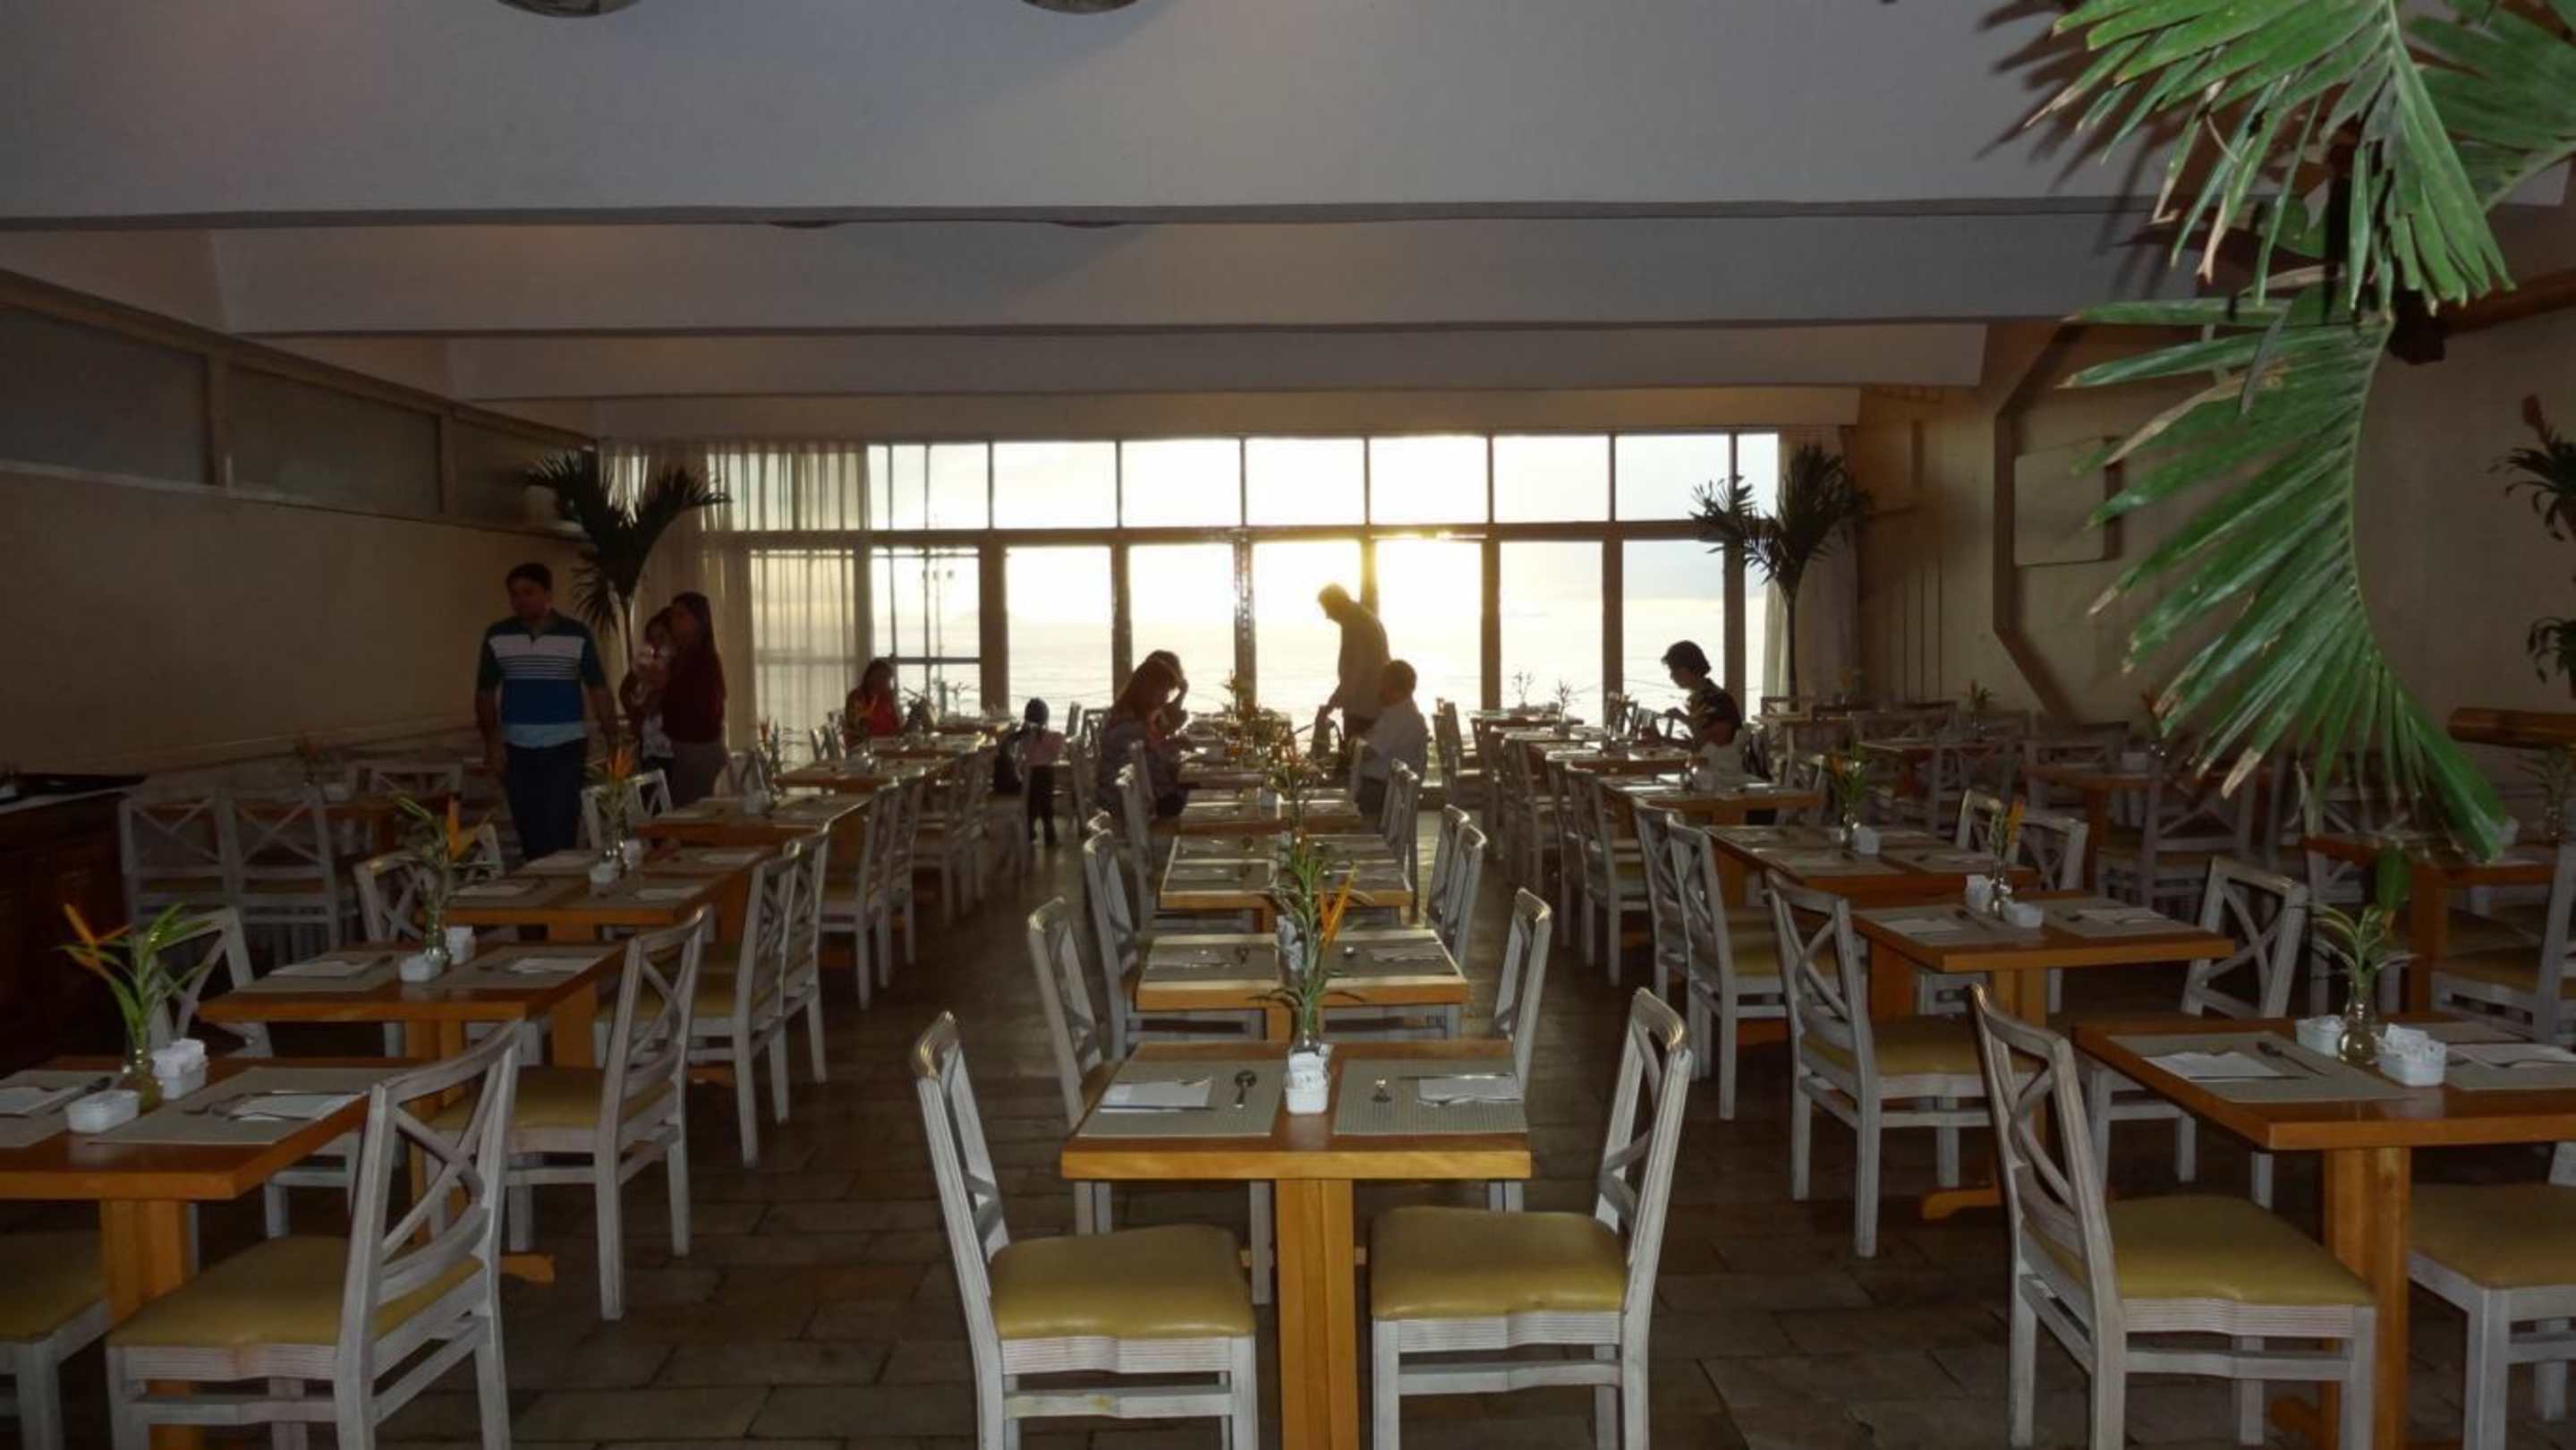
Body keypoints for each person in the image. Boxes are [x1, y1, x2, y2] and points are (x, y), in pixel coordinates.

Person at [475, 562, 616, 863]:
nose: (520, 600)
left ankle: (562, 883)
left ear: (548, 594)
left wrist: (612, 737)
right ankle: (537, 884)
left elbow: (599, 689)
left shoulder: (575, 634)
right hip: (516, 748)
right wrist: (492, 741)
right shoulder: (498, 635)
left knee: (560, 827)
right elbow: (485, 693)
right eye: (514, 594)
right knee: (529, 829)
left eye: (528, 592)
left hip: (565, 746)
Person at [1095, 657, 1186, 820]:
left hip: (1131, 799)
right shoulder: (1129, 728)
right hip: (1129, 805)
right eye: (1164, 692)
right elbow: (1152, 774)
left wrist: (1169, 748)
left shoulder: (1128, 717)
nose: (1166, 699)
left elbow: (1149, 761)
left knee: (1196, 789)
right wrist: (1176, 764)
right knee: (1199, 794)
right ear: (1149, 691)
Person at [660, 591, 728, 807]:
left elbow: (698, 708)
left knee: (694, 815)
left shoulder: (702, 659)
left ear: (699, 622)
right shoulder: (678, 656)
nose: (674, 621)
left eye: (681, 616)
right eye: (673, 615)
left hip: (699, 751)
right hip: (683, 749)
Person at [1314, 583, 1389, 761]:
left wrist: (1333, 703)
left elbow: (1356, 671)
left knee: (1357, 762)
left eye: (1327, 609)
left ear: (1336, 604)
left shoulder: (1355, 624)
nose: (1327, 616)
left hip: (1363, 709)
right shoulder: (1363, 618)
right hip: (1373, 703)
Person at [1660, 639, 1746, 785]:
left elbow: (1717, 745)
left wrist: (1684, 719)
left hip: (1722, 777)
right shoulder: (1699, 698)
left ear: (1689, 669)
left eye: (1675, 670)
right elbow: (1699, 746)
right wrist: (1662, 740)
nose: (1672, 676)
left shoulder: (1718, 699)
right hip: (1705, 773)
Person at [1356, 659, 1429, 818]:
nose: (1379, 689)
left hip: (1383, 794)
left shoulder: (1399, 717)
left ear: (1395, 689)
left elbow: (1366, 753)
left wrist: (1353, 744)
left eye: (1383, 683)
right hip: (1386, 788)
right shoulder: (1401, 712)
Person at [621, 610, 676, 786]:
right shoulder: (644, 662)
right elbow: (624, 690)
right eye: (651, 638)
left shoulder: (677, 663)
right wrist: (634, 713)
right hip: (648, 744)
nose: (656, 643)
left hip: (671, 745)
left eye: (661, 636)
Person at [1003, 698, 1067, 847]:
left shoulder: (1025, 737)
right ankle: (1050, 835)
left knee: (1031, 805)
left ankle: (1030, 832)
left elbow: (1019, 757)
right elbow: (1055, 756)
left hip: (1029, 774)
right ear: (1046, 717)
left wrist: (1018, 771)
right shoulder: (1054, 737)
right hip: (1045, 773)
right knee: (1046, 805)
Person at [845, 658, 901, 745]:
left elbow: (896, 724)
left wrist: (894, 705)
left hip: (887, 743)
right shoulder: (857, 697)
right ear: (870, 678)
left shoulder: (884, 697)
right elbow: (860, 729)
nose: (887, 684)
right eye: (883, 678)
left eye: (888, 680)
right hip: (865, 746)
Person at [1141, 649, 1191, 737]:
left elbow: (1167, 714)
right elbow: (1164, 727)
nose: (1166, 696)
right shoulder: (1144, 703)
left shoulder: (1150, 698)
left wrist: (1182, 693)